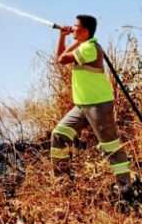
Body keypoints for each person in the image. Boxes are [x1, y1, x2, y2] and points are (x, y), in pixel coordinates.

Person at [51, 14, 135, 199]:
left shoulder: (90, 48)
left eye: (76, 26)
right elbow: (60, 57)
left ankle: (126, 189)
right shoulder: (84, 45)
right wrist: (64, 36)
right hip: (82, 106)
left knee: (110, 145)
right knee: (59, 135)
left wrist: (65, 37)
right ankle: (63, 184)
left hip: (98, 105)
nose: (73, 28)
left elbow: (62, 59)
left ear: (86, 30)